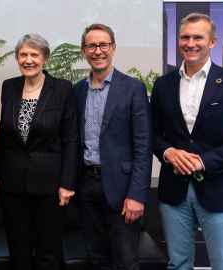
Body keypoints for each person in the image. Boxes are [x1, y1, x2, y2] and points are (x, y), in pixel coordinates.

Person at [151, 13, 223, 270]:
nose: (190, 43)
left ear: (212, 42)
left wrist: (203, 161)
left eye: (197, 37)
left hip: (220, 191)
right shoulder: (163, 84)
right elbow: (151, 133)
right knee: (178, 264)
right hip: (174, 193)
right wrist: (168, 151)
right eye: (185, 37)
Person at [0, 33, 78, 270]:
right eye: (23, 55)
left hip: (49, 187)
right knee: (18, 250)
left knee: (47, 253)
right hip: (12, 186)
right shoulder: (9, 86)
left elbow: (71, 139)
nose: (28, 60)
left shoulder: (62, 89)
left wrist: (67, 183)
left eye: (34, 54)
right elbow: (3, 135)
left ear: (45, 59)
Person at [74, 23, 152, 270]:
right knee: (97, 259)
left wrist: (137, 195)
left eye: (103, 45)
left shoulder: (133, 88)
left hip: (123, 189)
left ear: (113, 48)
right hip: (86, 187)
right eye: (91, 45)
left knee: (126, 261)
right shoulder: (77, 91)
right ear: (84, 50)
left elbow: (143, 144)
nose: (98, 51)